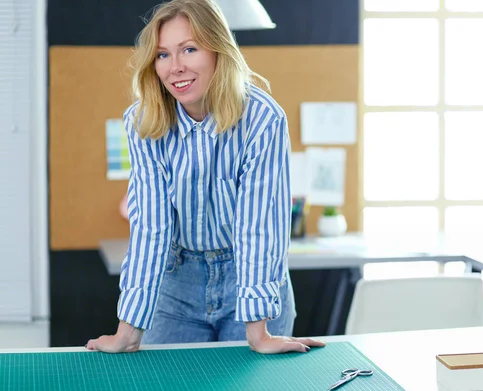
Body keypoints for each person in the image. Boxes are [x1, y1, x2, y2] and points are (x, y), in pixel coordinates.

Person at [86, 0, 325, 355]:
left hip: (247, 277)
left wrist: (258, 330)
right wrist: (128, 330)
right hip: (174, 284)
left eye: (189, 49)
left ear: (218, 50)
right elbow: (151, 226)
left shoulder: (262, 119)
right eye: (163, 55)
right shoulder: (142, 121)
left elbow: (258, 227)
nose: (175, 67)